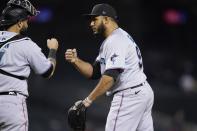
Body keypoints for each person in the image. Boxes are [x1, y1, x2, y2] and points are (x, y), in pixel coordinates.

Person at [65, 3, 154, 131]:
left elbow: (110, 77)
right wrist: (75, 61)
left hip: (129, 96)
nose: (91, 24)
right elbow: (94, 72)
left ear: (106, 19)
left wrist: (87, 101)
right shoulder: (116, 38)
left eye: (95, 19)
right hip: (142, 93)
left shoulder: (115, 41)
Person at [0, 0, 58, 131]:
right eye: (26, 20)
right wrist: (53, 50)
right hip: (11, 105)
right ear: (19, 23)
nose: (27, 23)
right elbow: (48, 71)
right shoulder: (26, 44)